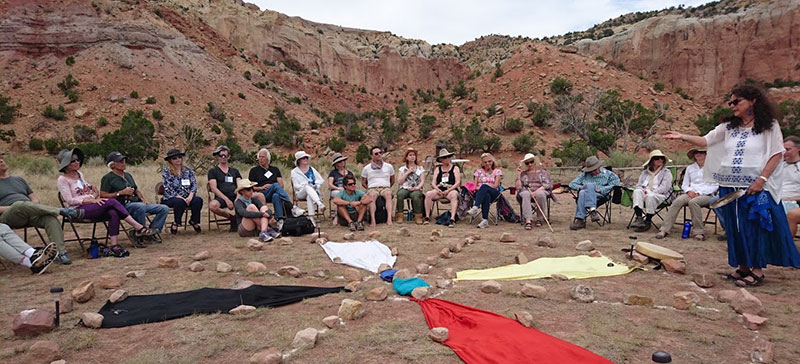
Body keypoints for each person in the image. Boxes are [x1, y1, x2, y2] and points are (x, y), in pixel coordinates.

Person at [664, 84, 800, 287]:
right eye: (730, 102)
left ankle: (757, 270)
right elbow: (705, 140)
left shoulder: (768, 126)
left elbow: (776, 154)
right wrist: (682, 136)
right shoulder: (728, 127)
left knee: (754, 226)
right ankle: (743, 267)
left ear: (752, 101)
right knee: (735, 228)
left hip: (754, 187)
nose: (732, 105)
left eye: (737, 101)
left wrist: (761, 180)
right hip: (729, 186)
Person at [57, 148, 153, 254]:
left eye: (77, 160)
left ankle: (114, 245)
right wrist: (89, 201)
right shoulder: (63, 179)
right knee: (111, 202)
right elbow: (69, 200)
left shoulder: (79, 174)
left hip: (91, 205)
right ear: (66, 165)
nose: (77, 162)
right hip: (77, 210)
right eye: (73, 161)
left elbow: (88, 192)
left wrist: (93, 193)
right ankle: (138, 226)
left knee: (113, 212)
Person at [0, 154, 82, 265]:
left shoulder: (19, 180)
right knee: (19, 205)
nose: (1, 161)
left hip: (30, 211)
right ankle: (61, 211)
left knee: (50, 218)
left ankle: (60, 253)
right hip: (9, 215)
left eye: (1, 158)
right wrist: (17, 207)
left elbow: (35, 199)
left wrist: (30, 207)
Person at [100, 152, 169, 242]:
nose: (123, 163)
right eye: (120, 161)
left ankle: (152, 232)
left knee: (163, 208)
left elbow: (136, 190)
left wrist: (142, 198)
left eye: (124, 161)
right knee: (139, 206)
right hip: (122, 205)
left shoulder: (128, 175)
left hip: (137, 203)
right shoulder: (108, 178)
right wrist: (120, 193)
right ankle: (140, 232)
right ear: (112, 165)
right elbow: (103, 194)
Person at [655, 148, 718, 240]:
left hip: (706, 194)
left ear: (706, 154)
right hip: (690, 193)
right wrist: (689, 191)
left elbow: (715, 185)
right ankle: (664, 229)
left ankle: (699, 232)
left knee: (694, 202)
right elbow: (685, 184)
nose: (699, 154)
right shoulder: (690, 168)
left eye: (701, 152)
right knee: (677, 201)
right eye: (696, 153)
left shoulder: (712, 168)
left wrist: (700, 193)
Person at [568, 156, 620, 230]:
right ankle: (592, 210)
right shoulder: (585, 174)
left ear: (599, 167)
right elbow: (572, 184)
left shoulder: (608, 173)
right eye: (590, 171)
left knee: (585, 191)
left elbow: (616, 183)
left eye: (594, 170)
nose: (592, 172)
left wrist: (602, 189)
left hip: (600, 195)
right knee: (584, 190)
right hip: (586, 195)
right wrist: (582, 187)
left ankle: (580, 220)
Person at [248, 148, 294, 230]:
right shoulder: (254, 170)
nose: (261, 159)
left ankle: (280, 220)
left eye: (263, 157)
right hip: (262, 193)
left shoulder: (275, 169)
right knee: (275, 185)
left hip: (273, 192)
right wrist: (261, 187)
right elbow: (251, 187)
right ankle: (292, 206)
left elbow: (281, 185)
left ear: (268, 159)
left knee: (276, 195)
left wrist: (272, 186)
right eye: (259, 157)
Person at [161, 149, 203, 234]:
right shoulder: (166, 172)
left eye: (179, 157)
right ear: (170, 160)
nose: (178, 159)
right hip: (172, 197)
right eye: (174, 158)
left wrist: (190, 196)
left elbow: (194, 184)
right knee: (179, 202)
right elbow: (167, 187)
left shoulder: (188, 170)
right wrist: (180, 197)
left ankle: (194, 221)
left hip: (188, 196)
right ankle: (176, 223)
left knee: (198, 200)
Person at [630, 150, 673, 232]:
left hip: (660, 195)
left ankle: (648, 220)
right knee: (637, 191)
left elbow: (664, 188)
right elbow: (639, 185)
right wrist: (643, 190)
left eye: (662, 158)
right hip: (645, 192)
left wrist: (651, 192)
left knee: (650, 196)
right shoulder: (645, 172)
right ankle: (639, 218)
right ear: (652, 161)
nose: (660, 160)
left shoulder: (666, 173)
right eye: (657, 158)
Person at [206, 145, 241, 231]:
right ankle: (231, 218)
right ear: (218, 157)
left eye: (225, 155)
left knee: (251, 199)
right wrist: (226, 200)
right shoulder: (213, 171)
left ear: (229, 157)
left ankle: (244, 222)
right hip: (221, 197)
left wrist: (238, 197)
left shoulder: (235, 171)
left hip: (235, 196)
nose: (223, 157)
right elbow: (214, 188)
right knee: (212, 206)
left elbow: (240, 185)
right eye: (221, 155)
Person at [423, 149, 461, 227]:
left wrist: (449, 190)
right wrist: (437, 189)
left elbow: (457, 182)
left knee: (454, 195)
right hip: (440, 189)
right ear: (441, 160)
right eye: (444, 158)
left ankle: (452, 218)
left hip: (451, 189)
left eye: (448, 157)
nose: (447, 159)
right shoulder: (438, 169)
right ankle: (427, 217)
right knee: (428, 194)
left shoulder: (455, 168)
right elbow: (433, 182)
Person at [515, 153, 552, 230]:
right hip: (527, 191)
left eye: (531, 162)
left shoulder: (542, 172)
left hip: (541, 189)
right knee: (525, 194)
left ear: (534, 162)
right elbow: (518, 187)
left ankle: (540, 218)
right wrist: (518, 175)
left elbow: (547, 184)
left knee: (540, 194)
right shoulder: (523, 174)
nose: (529, 164)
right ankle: (528, 220)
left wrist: (535, 192)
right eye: (527, 163)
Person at [466, 153, 503, 229]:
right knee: (486, 195)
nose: (487, 163)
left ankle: (476, 207)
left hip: (494, 193)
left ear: (492, 161)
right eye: (485, 162)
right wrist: (483, 189)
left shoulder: (497, 171)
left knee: (484, 186)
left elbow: (496, 186)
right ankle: (485, 221)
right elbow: (475, 186)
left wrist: (485, 186)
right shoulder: (478, 172)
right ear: (482, 163)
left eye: (489, 161)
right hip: (480, 194)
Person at [361, 146, 395, 226]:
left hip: (385, 187)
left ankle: (389, 219)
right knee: (372, 196)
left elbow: (392, 179)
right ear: (372, 156)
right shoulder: (366, 168)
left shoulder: (389, 166)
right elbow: (363, 181)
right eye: (376, 153)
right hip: (372, 187)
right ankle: (373, 220)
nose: (379, 155)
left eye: (380, 152)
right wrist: (369, 188)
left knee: (388, 195)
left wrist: (387, 186)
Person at [291, 151, 325, 226]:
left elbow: (320, 180)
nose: (305, 159)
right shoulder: (294, 172)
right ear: (299, 160)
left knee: (309, 196)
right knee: (307, 187)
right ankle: (319, 203)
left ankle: (312, 219)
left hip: (312, 191)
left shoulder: (312, 169)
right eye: (303, 158)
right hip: (300, 192)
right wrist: (305, 185)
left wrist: (315, 185)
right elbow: (296, 186)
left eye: (306, 157)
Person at [395, 148, 426, 224]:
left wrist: (417, 187)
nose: (412, 157)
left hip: (416, 188)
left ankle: (418, 215)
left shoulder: (420, 168)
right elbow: (399, 182)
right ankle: (400, 214)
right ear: (406, 157)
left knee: (416, 196)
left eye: (414, 155)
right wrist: (407, 173)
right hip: (405, 187)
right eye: (410, 155)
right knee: (400, 194)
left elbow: (422, 181)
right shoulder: (402, 169)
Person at [779, 136, 800, 237]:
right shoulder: (779, 166)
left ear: (798, 149)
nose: (784, 152)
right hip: (777, 199)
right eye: (783, 150)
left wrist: (792, 198)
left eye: (788, 149)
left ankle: (785, 247)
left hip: (793, 202)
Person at [327, 152, 354, 225]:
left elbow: (353, 183)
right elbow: (330, 184)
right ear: (336, 164)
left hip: (348, 190)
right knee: (338, 195)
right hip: (336, 190)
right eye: (339, 162)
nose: (342, 163)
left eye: (342, 161)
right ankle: (337, 215)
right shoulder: (333, 173)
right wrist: (338, 188)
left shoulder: (349, 173)